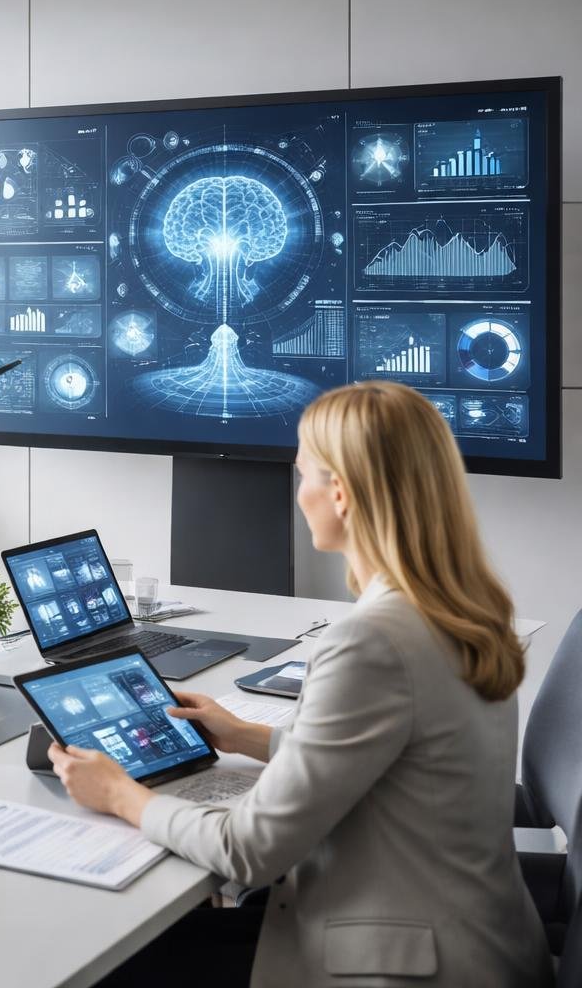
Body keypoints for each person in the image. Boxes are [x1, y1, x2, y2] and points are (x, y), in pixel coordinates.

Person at [49, 381, 553, 987]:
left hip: (401, 964)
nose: (300, 494)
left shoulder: (374, 641)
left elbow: (250, 849)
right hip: (482, 939)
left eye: (302, 476)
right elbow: (403, 767)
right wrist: (246, 736)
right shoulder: (464, 609)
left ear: (339, 492)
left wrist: (121, 796)